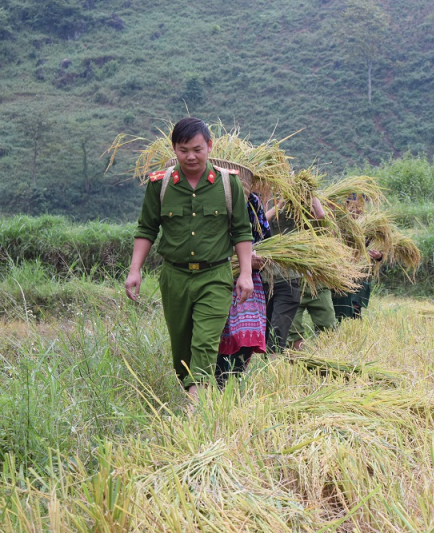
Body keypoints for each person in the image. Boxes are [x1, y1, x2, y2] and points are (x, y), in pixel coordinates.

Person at [125, 117, 254, 402]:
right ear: (174, 149)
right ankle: (194, 390)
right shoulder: (160, 185)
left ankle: (196, 408)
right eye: (183, 150)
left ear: (209, 146)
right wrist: (135, 270)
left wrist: (245, 274)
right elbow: (146, 228)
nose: (191, 156)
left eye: (197, 149)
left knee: (205, 342)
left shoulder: (228, 183)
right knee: (181, 348)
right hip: (175, 278)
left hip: (215, 276)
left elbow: (242, 231)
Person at [216, 191, 271, 386]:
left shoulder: (252, 200)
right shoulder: (201, 194)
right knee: (213, 333)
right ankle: (215, 384)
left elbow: (264, 236)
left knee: (244, 333)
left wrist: (253, 259)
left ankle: (233, 383)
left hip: (246, 277)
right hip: (211, 275)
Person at [263, 195, 326, 352]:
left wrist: (308, 191)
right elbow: (259, 222)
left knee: (279, 328)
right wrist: (280, 204)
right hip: (265, 275)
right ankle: (267, 364)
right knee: (265, 326)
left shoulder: (297, 203)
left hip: (289, 276)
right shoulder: (264, 199)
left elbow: (320, 216)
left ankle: (275, 363)